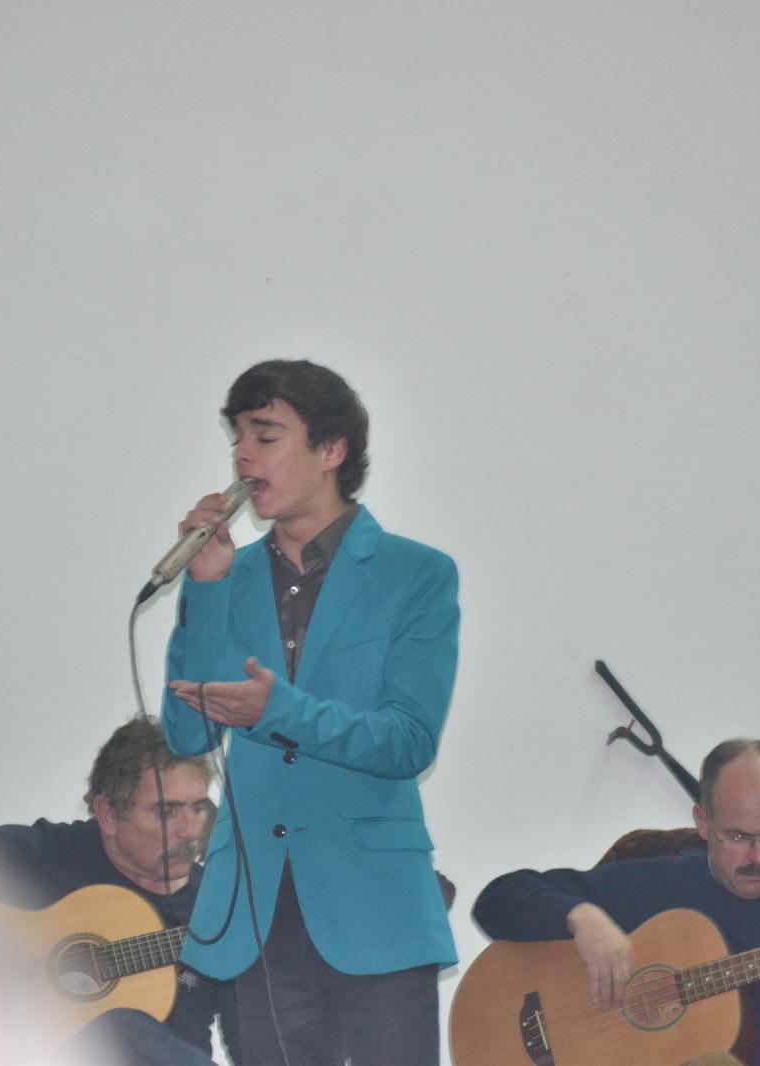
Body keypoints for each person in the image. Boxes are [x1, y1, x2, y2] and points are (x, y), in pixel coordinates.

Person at [163, 359, 458, 1065]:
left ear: (331, 451)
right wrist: (205, 589)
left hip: (376, 906)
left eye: (265, 436)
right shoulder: (226, 578)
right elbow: (187, 732)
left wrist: (280, 710)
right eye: (237, 437)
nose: (243, 455)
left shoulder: (416, 574)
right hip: (257, 910)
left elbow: (409, 741)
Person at [471, 739, 760, 1066]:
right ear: (703, 823)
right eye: (738, 837)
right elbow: (497, 899)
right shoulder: (654, 885)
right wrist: (580, 916)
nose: (759, 857)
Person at [0, 717, 235, 1065]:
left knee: (124, 1027)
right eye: (166, 812)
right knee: (119, 1024)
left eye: (199, 808)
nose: (190, 831)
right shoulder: (52, 855)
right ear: (107, 814)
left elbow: (253, 1044)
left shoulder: (222, 912)